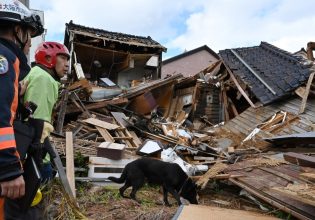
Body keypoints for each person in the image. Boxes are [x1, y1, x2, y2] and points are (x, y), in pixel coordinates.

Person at [0, 0, 44, 219]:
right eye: (29, 36)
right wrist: (8, 168)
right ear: (18, 30)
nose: (29, 45)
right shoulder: (4, 58)